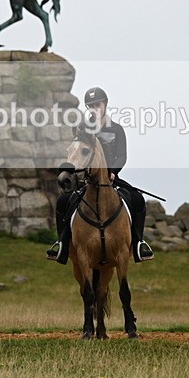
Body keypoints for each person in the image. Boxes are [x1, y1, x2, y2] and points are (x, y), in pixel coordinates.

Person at [47, 86, 154, 264]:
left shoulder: (117, 130)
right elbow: (76, 152)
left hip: (110, 178)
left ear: (105, 104)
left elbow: (122, 156)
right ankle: (62, 245)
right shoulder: (83, 128)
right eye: (91, 106)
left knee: (137, 199)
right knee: (63, 201)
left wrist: (113, 172)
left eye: (98, 105)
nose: (95, 109)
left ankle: (138, 244)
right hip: (85, 180)